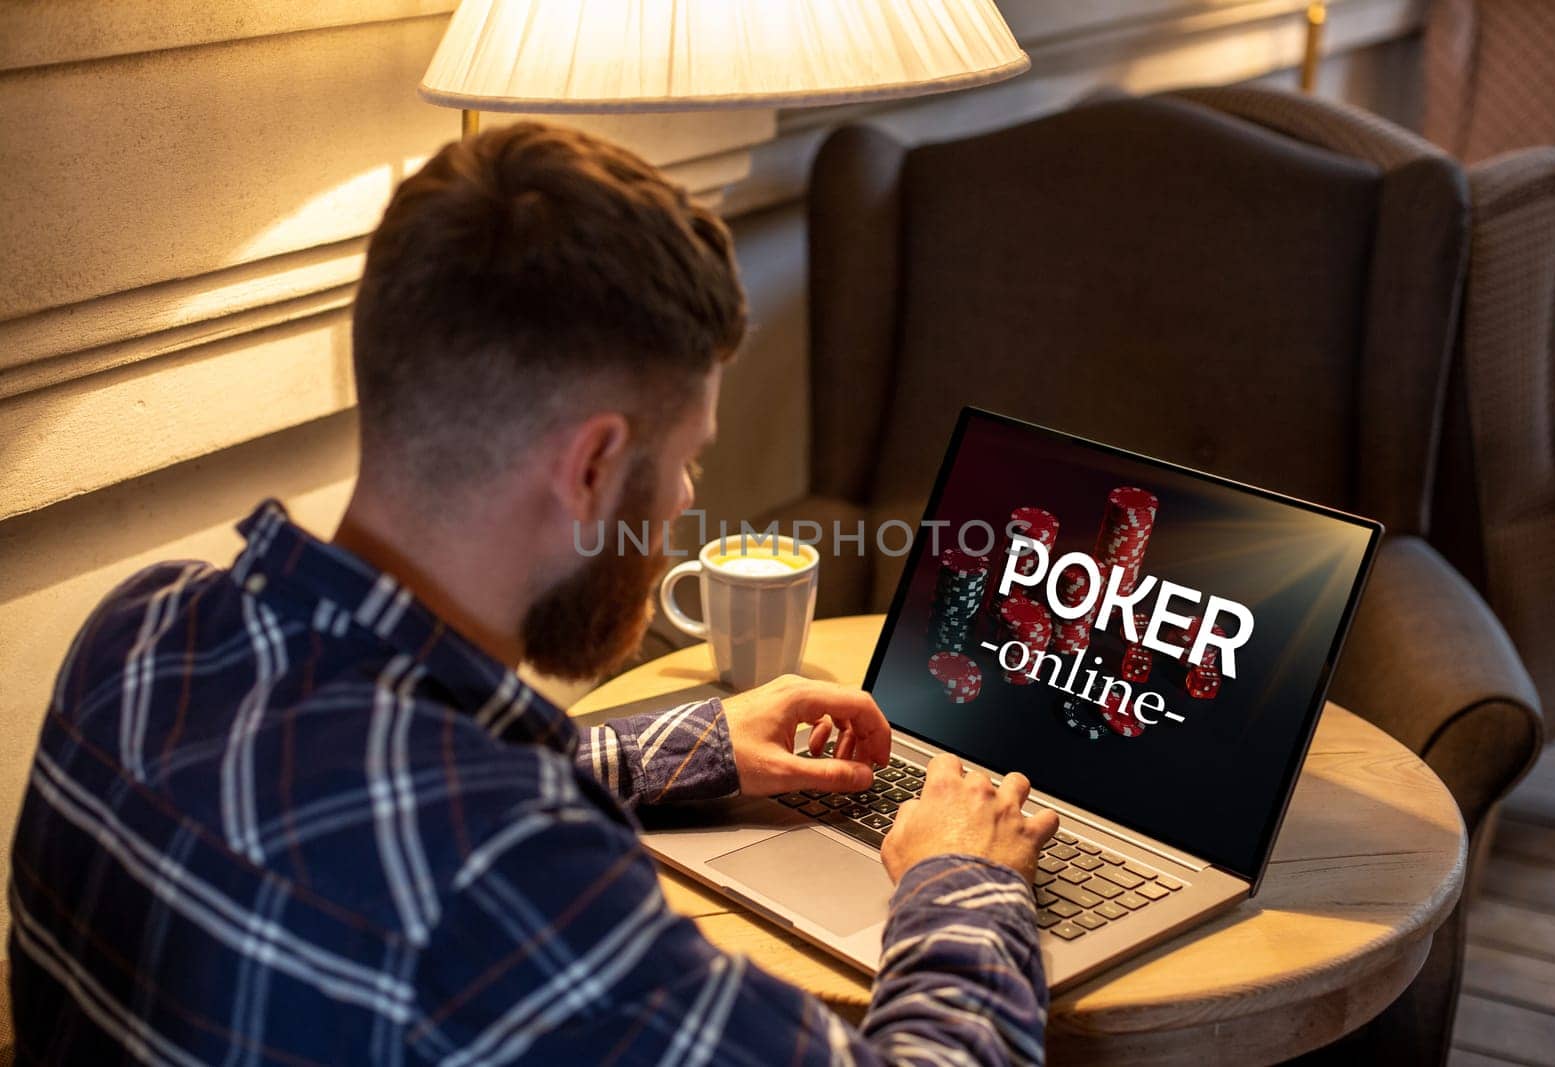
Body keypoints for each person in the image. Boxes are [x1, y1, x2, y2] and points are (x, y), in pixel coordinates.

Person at [9, 123, 1059, 1065]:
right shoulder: (511, 877)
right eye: (685, 458)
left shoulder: (140, 632)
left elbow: (366, 771)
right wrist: (961, 877)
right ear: (593, 465)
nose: (685, 498)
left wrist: (682, 749)